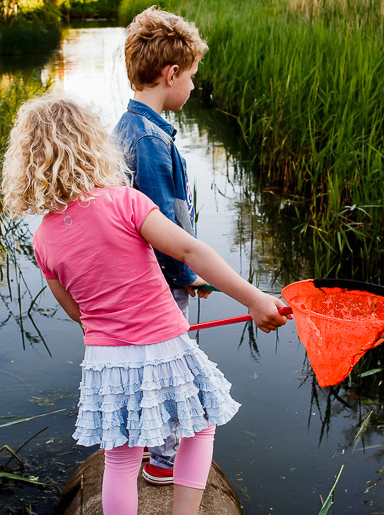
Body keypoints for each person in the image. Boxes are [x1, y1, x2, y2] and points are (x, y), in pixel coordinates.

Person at [1, 96, 287, 515]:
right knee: (199, 426)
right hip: (166, 344)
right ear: (93, 145)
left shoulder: (43, 239)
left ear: (29, 162)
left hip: (107, 360)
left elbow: (76, 311)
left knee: (120, 459)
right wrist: (256, 298)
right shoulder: (126, 201)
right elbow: (190, 250)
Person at [113, 7, 210, 486]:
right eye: (191, 77)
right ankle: (163, 460)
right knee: (173, 369)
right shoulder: (150, 141)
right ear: (170, 74)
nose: (193, 86)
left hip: (139, 281)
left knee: (150, 365)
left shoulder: (126, 129)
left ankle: (149, 450)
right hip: (159, 283)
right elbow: (158, 225)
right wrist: (185, 275)